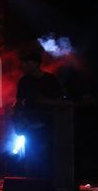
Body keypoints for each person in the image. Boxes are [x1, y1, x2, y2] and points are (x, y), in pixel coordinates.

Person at [12, 47, 65, 178]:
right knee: (32, 156)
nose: (23, 65)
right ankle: (33, 181)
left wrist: (45, 101)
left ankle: (46, 182)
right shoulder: (24, 81)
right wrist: (18, 119)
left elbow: (61, 102)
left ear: (36, 63)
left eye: (26, 62)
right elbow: (19, 102)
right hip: (29, 125)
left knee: (46, 156)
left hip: (47, 125)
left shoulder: (50, 80)